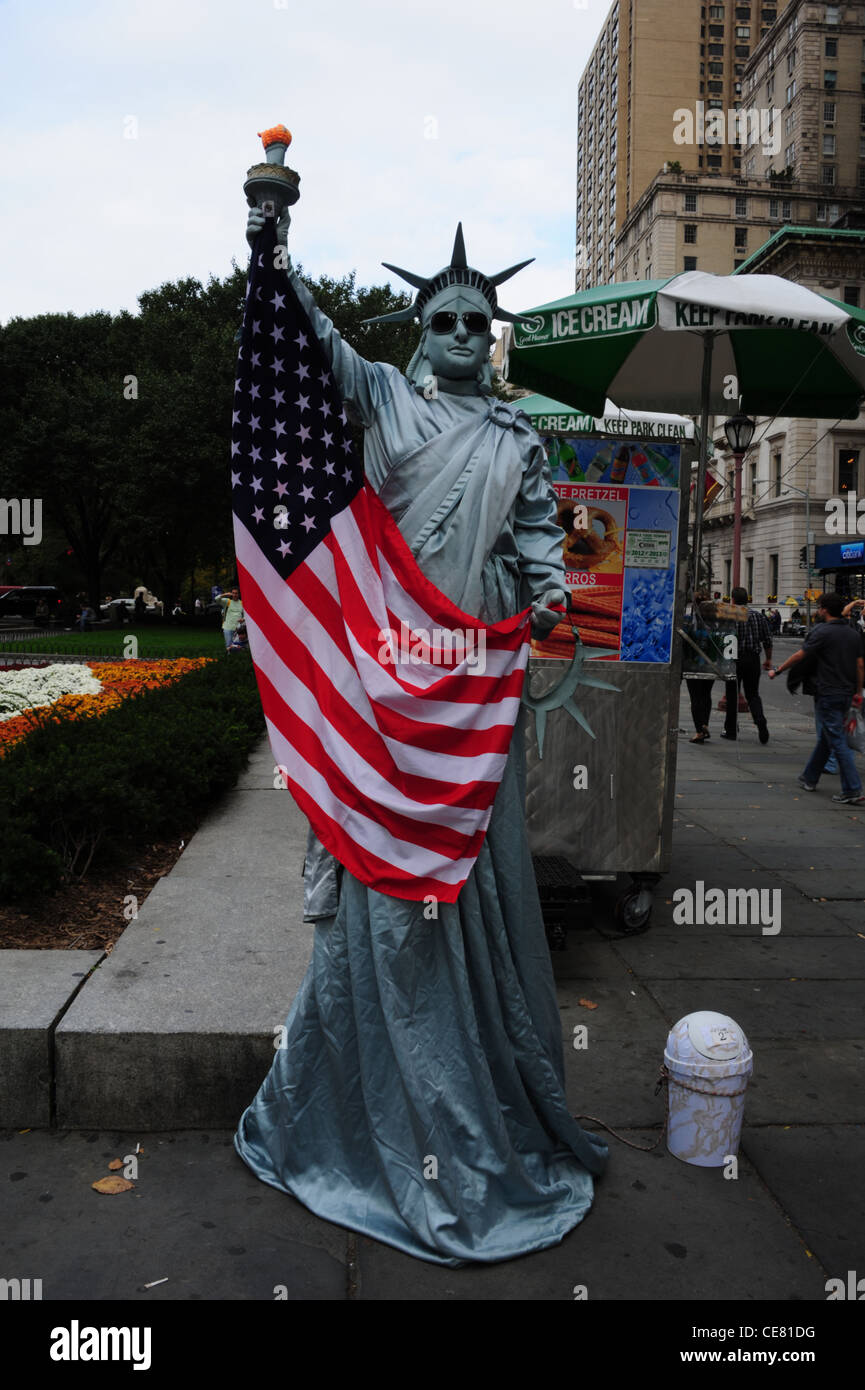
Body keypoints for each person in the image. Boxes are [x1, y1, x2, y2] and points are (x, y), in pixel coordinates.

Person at [234, 205, 607, 1267]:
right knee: (382, 903)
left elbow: (539, 537)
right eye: (441, 317)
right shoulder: (386, 397)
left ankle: (477, 1091)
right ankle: (360, 1111)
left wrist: (544, 597)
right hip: (386, 680)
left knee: (476, 882)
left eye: (474, 322)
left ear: (491, 335)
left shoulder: (518, 436)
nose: (457, 332)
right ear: (418, 327)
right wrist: (274, 255)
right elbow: (314, 345)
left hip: (474, 688)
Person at [768, 591, 864, 805]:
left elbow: (800, 655)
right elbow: (860, 665)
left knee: (837, 740)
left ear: (824, 609)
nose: (818, 610)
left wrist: (778, 670)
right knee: (827, 737)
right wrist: (858, 692)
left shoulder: (821, 631)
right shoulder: (853, 634)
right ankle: (810, 777)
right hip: (847, 693)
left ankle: (853, 788)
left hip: (828, 692)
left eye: (820, 607)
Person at [722, 586, 772, 743]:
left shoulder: (729, 615)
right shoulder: (758, 616)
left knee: (732, 694)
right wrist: (768, 659)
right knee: (752, 694)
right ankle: (760, 720)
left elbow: (722, 638)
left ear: (733, 600)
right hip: (753, 658)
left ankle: (731, 730)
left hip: (734, 659)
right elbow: (767, 640)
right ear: (747, 599)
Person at [685, 591, 715, 743]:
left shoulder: (690, 621)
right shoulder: (716, 622)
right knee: (706, 695)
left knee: (695, 698)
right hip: (711, 664)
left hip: (694, 664)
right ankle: (705, 724)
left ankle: (699, 731)